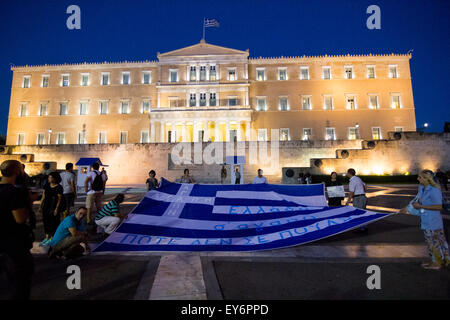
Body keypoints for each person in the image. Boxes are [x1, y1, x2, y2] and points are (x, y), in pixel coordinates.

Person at [399, 170, 449, 270]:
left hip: (433, 221)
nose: (418, 179)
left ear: (427, 179)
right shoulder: (422, 188)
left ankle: (437, 263)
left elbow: (439, 206)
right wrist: (407, 208)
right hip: (426, 219)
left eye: (420, 177)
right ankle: (434, 260)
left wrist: (421, 206)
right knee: (431, 241)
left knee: (435, 242)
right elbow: (416, 201)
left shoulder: (434, 190)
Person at [0, 160, 35, 300]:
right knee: (20, 286)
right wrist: (29, 203)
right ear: (16, 172)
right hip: (14, 244)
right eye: (21, 169)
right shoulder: (14, 193)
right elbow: (20, 218)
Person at [38, 171, 64, 245]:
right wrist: (40, 206)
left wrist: (56, 209)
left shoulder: (59, 187)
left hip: (53, 206)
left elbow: (59, 199)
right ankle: (47, 237)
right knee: (46, 221)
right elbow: (43, 196)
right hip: (46, 205)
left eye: (50, 177)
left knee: (54, 222)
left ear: (55, 178)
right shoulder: (46, 186)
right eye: (49, 177)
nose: (49, 179)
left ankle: (52, 237)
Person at [345, 168, 368, 233]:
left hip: (358, 198)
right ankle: (364, 226)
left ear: (349, 173)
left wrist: (348, 201)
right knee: (362, 212)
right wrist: (363, 192)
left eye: (347, 173)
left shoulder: (352, 181)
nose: (346, 174)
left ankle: (361, 228)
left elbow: (351, 192)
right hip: (363, 197)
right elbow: (365, 185)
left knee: (358, 213)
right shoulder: (358, 178)